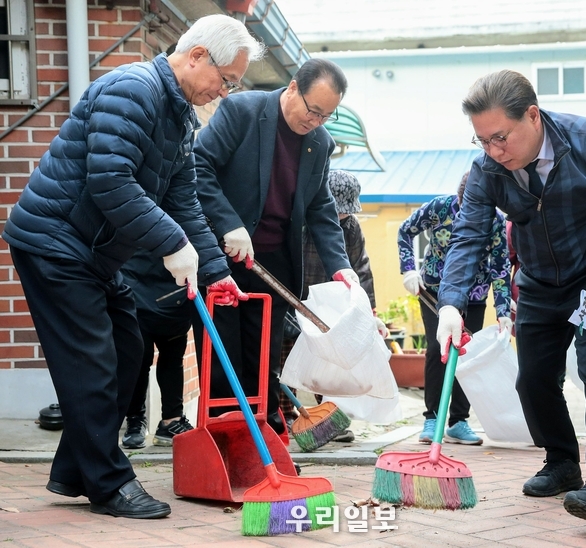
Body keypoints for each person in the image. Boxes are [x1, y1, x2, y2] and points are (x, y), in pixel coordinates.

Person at [1, 14, 264, 519]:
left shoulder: (180, 117)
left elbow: (184, 201)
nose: (224, 92)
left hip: (95, 253)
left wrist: (215, 271)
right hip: (55, 243)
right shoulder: (133, 90)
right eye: (226, 79)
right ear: (197, 56)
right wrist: (171, 244)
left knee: (128, 347)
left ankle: (75, 470)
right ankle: (109, 484)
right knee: (94, 364)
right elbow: (110, 181)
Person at [436, 70, 586, 528]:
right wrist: (451, 304)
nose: (494, 151)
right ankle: (561, 462)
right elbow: (469, 234)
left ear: (532, 116)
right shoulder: (488, 169)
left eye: (500, 137)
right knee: (532, 379)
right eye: (482, 141)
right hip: (538, 280)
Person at [191, 58, 359, 434]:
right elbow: (199, 167)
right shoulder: (242, 111)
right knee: (222, 356)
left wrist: (340, 265)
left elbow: (320, 207)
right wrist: (229, 224)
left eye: (325, 116)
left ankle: (265, 438)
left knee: (263, 356)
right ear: (293, 88)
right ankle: (226, 437)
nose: (315, 121)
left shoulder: (320, 143)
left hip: (273, 264)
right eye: (313, 110)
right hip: (222, 257)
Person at [397, 172, 512, 446]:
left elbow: (500, 266)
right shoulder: (439, 207)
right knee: (438, 349)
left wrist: (503, 310)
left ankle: (458, 422)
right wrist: (408, 269)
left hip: (474, 294)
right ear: (460, 197)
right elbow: (405, 231)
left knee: (464, 352)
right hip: (435, 291)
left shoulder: (496, 220)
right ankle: (432, 418)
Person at [279, 169, 388, 441]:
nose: (342, 216)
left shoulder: (351, 228)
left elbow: (361, 268)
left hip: (328, 300)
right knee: (284, 356)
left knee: (328, 360)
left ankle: (329, 417)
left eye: (346, 212)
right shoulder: (300, 221)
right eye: (338, 211)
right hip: (292, 295)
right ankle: (283, 417)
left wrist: (369, 312)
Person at [119, 252, 195, 449]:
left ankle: (171, 421)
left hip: (174, 290)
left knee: (172, 358)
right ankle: (135, 420)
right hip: (134, 283)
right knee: (138, 359)